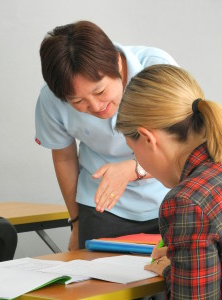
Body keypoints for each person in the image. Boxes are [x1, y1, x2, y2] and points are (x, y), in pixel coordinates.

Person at [35, 20, 178, 250]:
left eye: (100, 91)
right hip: (102, 206)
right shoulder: (52, 98)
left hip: (170, 197)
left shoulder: (157, 69)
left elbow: (184, 147)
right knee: (95, 283)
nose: (95, 106)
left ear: (117, 66)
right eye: (78, 101)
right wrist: (77, 222)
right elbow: (64, 157)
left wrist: (133, 170)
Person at [116, 64, 222, 299]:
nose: (137, 160)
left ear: (146, 138)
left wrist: (169, 271)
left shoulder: (187, 202)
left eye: (133, 151)